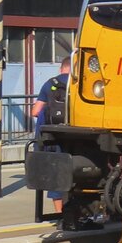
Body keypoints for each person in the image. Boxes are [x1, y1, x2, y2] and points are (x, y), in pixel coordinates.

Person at [33, 56, 71, 213]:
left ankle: (59, 213)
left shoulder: (50, 83)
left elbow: (35, 111)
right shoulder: (79, 83)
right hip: (72, 137)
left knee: (55, 175)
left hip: (51, 136)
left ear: (61, 68)